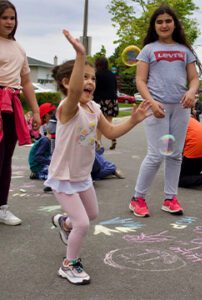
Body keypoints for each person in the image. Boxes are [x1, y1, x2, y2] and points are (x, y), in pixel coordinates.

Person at [47, 30, 150, 285]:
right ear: (66, 82)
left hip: (82, 176)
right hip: (63, 177)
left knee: (90, 214)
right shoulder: (67, 109)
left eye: (92, 78)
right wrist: (80, 53)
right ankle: (69, 265)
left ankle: (64, 223)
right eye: (83, 77)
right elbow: (73, 96)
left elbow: (111, 131)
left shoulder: (93, 108)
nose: (90, 82)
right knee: (83, 224)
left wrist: (134, 120)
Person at [129, 4, 200, 217]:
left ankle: (170, 198)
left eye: (168, 20)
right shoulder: (148, 50)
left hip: (180, 108)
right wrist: (151, 102)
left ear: (174, 24)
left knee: (176, 155)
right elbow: (140, 81)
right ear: (154, 25)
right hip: (156, 107)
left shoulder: (185, 50)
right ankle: (137, 198)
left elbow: (194, 78)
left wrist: (191, 92)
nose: (164, 24)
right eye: (159, 21)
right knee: (156, 154)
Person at [0, 0, 41, 226]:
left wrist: (35, 111)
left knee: (6, 159)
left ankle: (2, 207)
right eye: (4, 17)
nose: (9, 22)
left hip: (12, 104)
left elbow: (26, 81)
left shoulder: (19, 48)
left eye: (12, 18)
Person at [93, 56, 118, 150]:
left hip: (101, 100)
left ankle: (99, 143)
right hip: (112, 100)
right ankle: (113, 139)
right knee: (109, 122)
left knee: (99, 123)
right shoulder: (112, 74)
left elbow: (95, 89)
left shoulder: (97, 74)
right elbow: (115, 87)